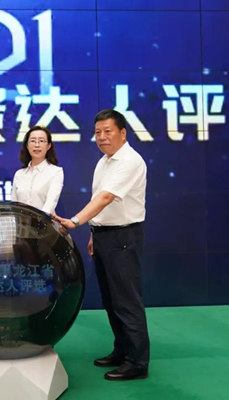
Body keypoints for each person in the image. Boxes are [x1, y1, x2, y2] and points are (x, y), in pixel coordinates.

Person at [54, 109, 150, 381]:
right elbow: (100, 202)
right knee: (111, 300)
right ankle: (122, 350)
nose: (102, 137)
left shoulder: (130, 161)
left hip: (123, 238)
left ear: (123, 133)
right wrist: (94, 233)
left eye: (108, 131)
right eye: (98, 132)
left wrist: (76, 221)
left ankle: (137, 362)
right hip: (105, 235)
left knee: (127, 301)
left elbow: (106, 197)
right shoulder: (104, 162)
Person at [11, 126, 64, 214]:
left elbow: (51, 203)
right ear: (27, 146)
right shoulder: (19, 174)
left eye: (41, 141)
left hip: (45, 221)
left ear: (48, 146)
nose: (37, 145)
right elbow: (14, 205)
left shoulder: (56, 172)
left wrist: (38, 220)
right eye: (32, 141)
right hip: (21, 222)